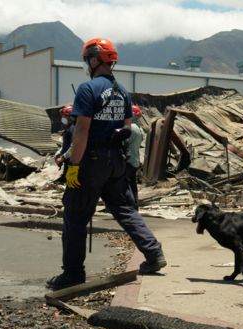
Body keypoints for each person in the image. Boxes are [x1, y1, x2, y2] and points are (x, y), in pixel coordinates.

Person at [46, 38, 167, 291]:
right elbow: (126, 127)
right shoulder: (122, 91)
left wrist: (74, 166)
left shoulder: (87, 90)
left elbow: (81, 132)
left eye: (86, 60)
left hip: (91, 162)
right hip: (116, 162)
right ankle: (154, 253)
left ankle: (73, 274)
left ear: (93, 60)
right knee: (125, 209)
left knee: (76, 216)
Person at [125, 104, 145, 209]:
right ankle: (135, 205)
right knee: (132, 184)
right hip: (135, 160)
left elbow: (123, 142)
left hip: (128, 160)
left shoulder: (131, 128)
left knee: (126, 184)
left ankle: (129, 206)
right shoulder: (139, 129)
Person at [54, 105, 76, 171]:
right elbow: (66, 144)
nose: (62, 119)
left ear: (70, 117)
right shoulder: (69, 128)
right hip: (67, 161)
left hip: (72, 162)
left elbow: (74, 146)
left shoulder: (74, 129)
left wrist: (63, 157)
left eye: (64, 116)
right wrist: (58, 153)